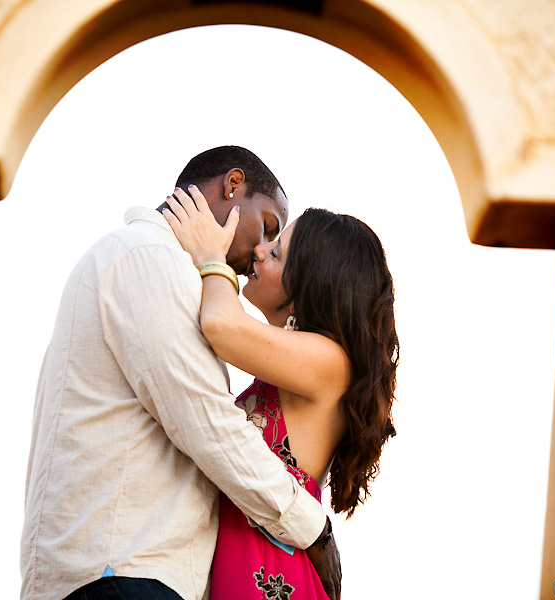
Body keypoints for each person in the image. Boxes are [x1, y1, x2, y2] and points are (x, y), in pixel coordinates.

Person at [20, 146, 340, 600]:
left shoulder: (141, 260)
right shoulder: (148, 258)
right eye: (267, 225)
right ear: (233, 186)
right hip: (124, 576)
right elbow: (207, 424)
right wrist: (313, 529)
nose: (259, 252)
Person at [163, 186, 398, 600]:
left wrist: (210, 256)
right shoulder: (297, 368)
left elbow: (220, 324)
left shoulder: (330, 362)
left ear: (309, 287)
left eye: (276, 254)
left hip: (272, 575)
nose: (257, 251)